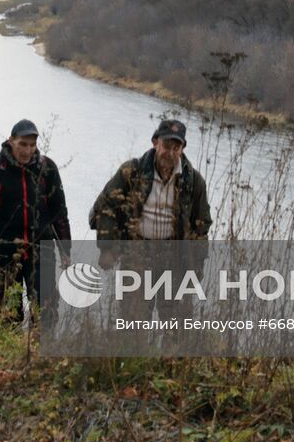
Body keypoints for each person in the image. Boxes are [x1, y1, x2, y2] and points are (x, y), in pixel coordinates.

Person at [90, 119, 212, 324]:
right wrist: (107, 248)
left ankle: (171, 356)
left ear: (182, 149)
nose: (171, 153)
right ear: (155, 142)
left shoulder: (194, 181)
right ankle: (131, 355)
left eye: (176, 147)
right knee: (133, 320)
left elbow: (202, 225)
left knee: (177, 324)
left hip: (175, 257)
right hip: (137, 253)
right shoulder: (132, 172)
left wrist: (196, 266)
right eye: (166, 146)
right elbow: (106, 206)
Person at [0, 118, 72, 323]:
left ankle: (41, 354)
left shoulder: (47, 170)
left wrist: (65, 250)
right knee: (9, 315)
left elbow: (59, 213)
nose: (27, 151)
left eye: (32, 145)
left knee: (46, 310)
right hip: (6, 252)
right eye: (22, 145)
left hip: (41, 249)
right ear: (10, 141)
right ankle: (9, 353)